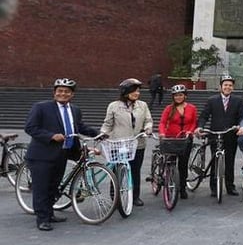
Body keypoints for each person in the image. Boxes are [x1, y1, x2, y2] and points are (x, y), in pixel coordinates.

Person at [24, 78, 99, 231]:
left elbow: (79, 127)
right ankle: (42, 219)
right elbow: (30, 128)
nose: (62, 94)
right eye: (60, 91)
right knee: (42, 188)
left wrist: (99, 133)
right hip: (41, 155)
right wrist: (51, 136)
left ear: (72, 94)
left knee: (53, 187)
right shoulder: (41, 107)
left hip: (62, 154)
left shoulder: (75, 110)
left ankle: (50, 213)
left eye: (66, 92)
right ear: (54, 92)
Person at [101, 78, 154, 206]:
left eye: (138, 91)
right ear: (125, 91)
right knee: (117, 171)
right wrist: (103, 133)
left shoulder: (143, 105)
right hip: (119, 143)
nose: (137, 93)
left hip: (138, 143)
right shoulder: (114, 106)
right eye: (134, 91)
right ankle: (115, 197)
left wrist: (148, 128)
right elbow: (107, 124)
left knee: (135, 171)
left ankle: (135, 196)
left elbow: (148, 120)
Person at [198, 74, 243, 196]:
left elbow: (242, 116)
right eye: (225, 85)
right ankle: (214, 188)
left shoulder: (238, 100)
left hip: (231, 135)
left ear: (233, 87)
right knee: (215, 160)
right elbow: (204, 116)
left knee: (230, 161)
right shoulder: (212, 100)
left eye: (230, 85)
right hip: (215, 134)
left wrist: (241, 126)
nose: (227, 87)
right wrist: (200, 127)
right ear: (220, 86)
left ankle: (230, 186)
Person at [158, 84, 198, 199]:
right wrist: (162, 133)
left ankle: (182, 187)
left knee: (183, 164)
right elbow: (162, 122)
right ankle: (169, 182)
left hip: (185, 139)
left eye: (180, 95)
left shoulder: (192, 108)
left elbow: (193, 122)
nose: (178, 97)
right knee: (171, 162)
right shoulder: (169, 109)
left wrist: (190, 131)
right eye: (176, 95)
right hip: (171, 138)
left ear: (185, 96)